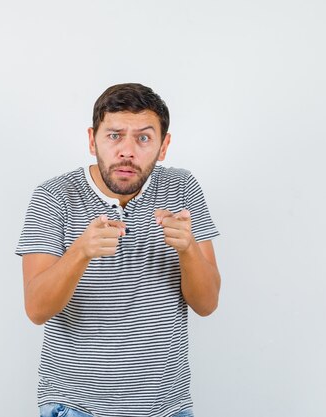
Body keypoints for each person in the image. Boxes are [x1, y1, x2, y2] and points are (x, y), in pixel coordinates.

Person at [16, 83, 221, 417]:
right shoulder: (53, 196)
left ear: (164, 145)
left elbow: (207, 304)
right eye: (114, 136)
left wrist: (188, 251)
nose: (127, 151)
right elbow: (36, 309)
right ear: (91, 139)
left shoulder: (182, 188)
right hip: (75, 406)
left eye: (143, 138)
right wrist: (79, 252)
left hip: (166, 407)